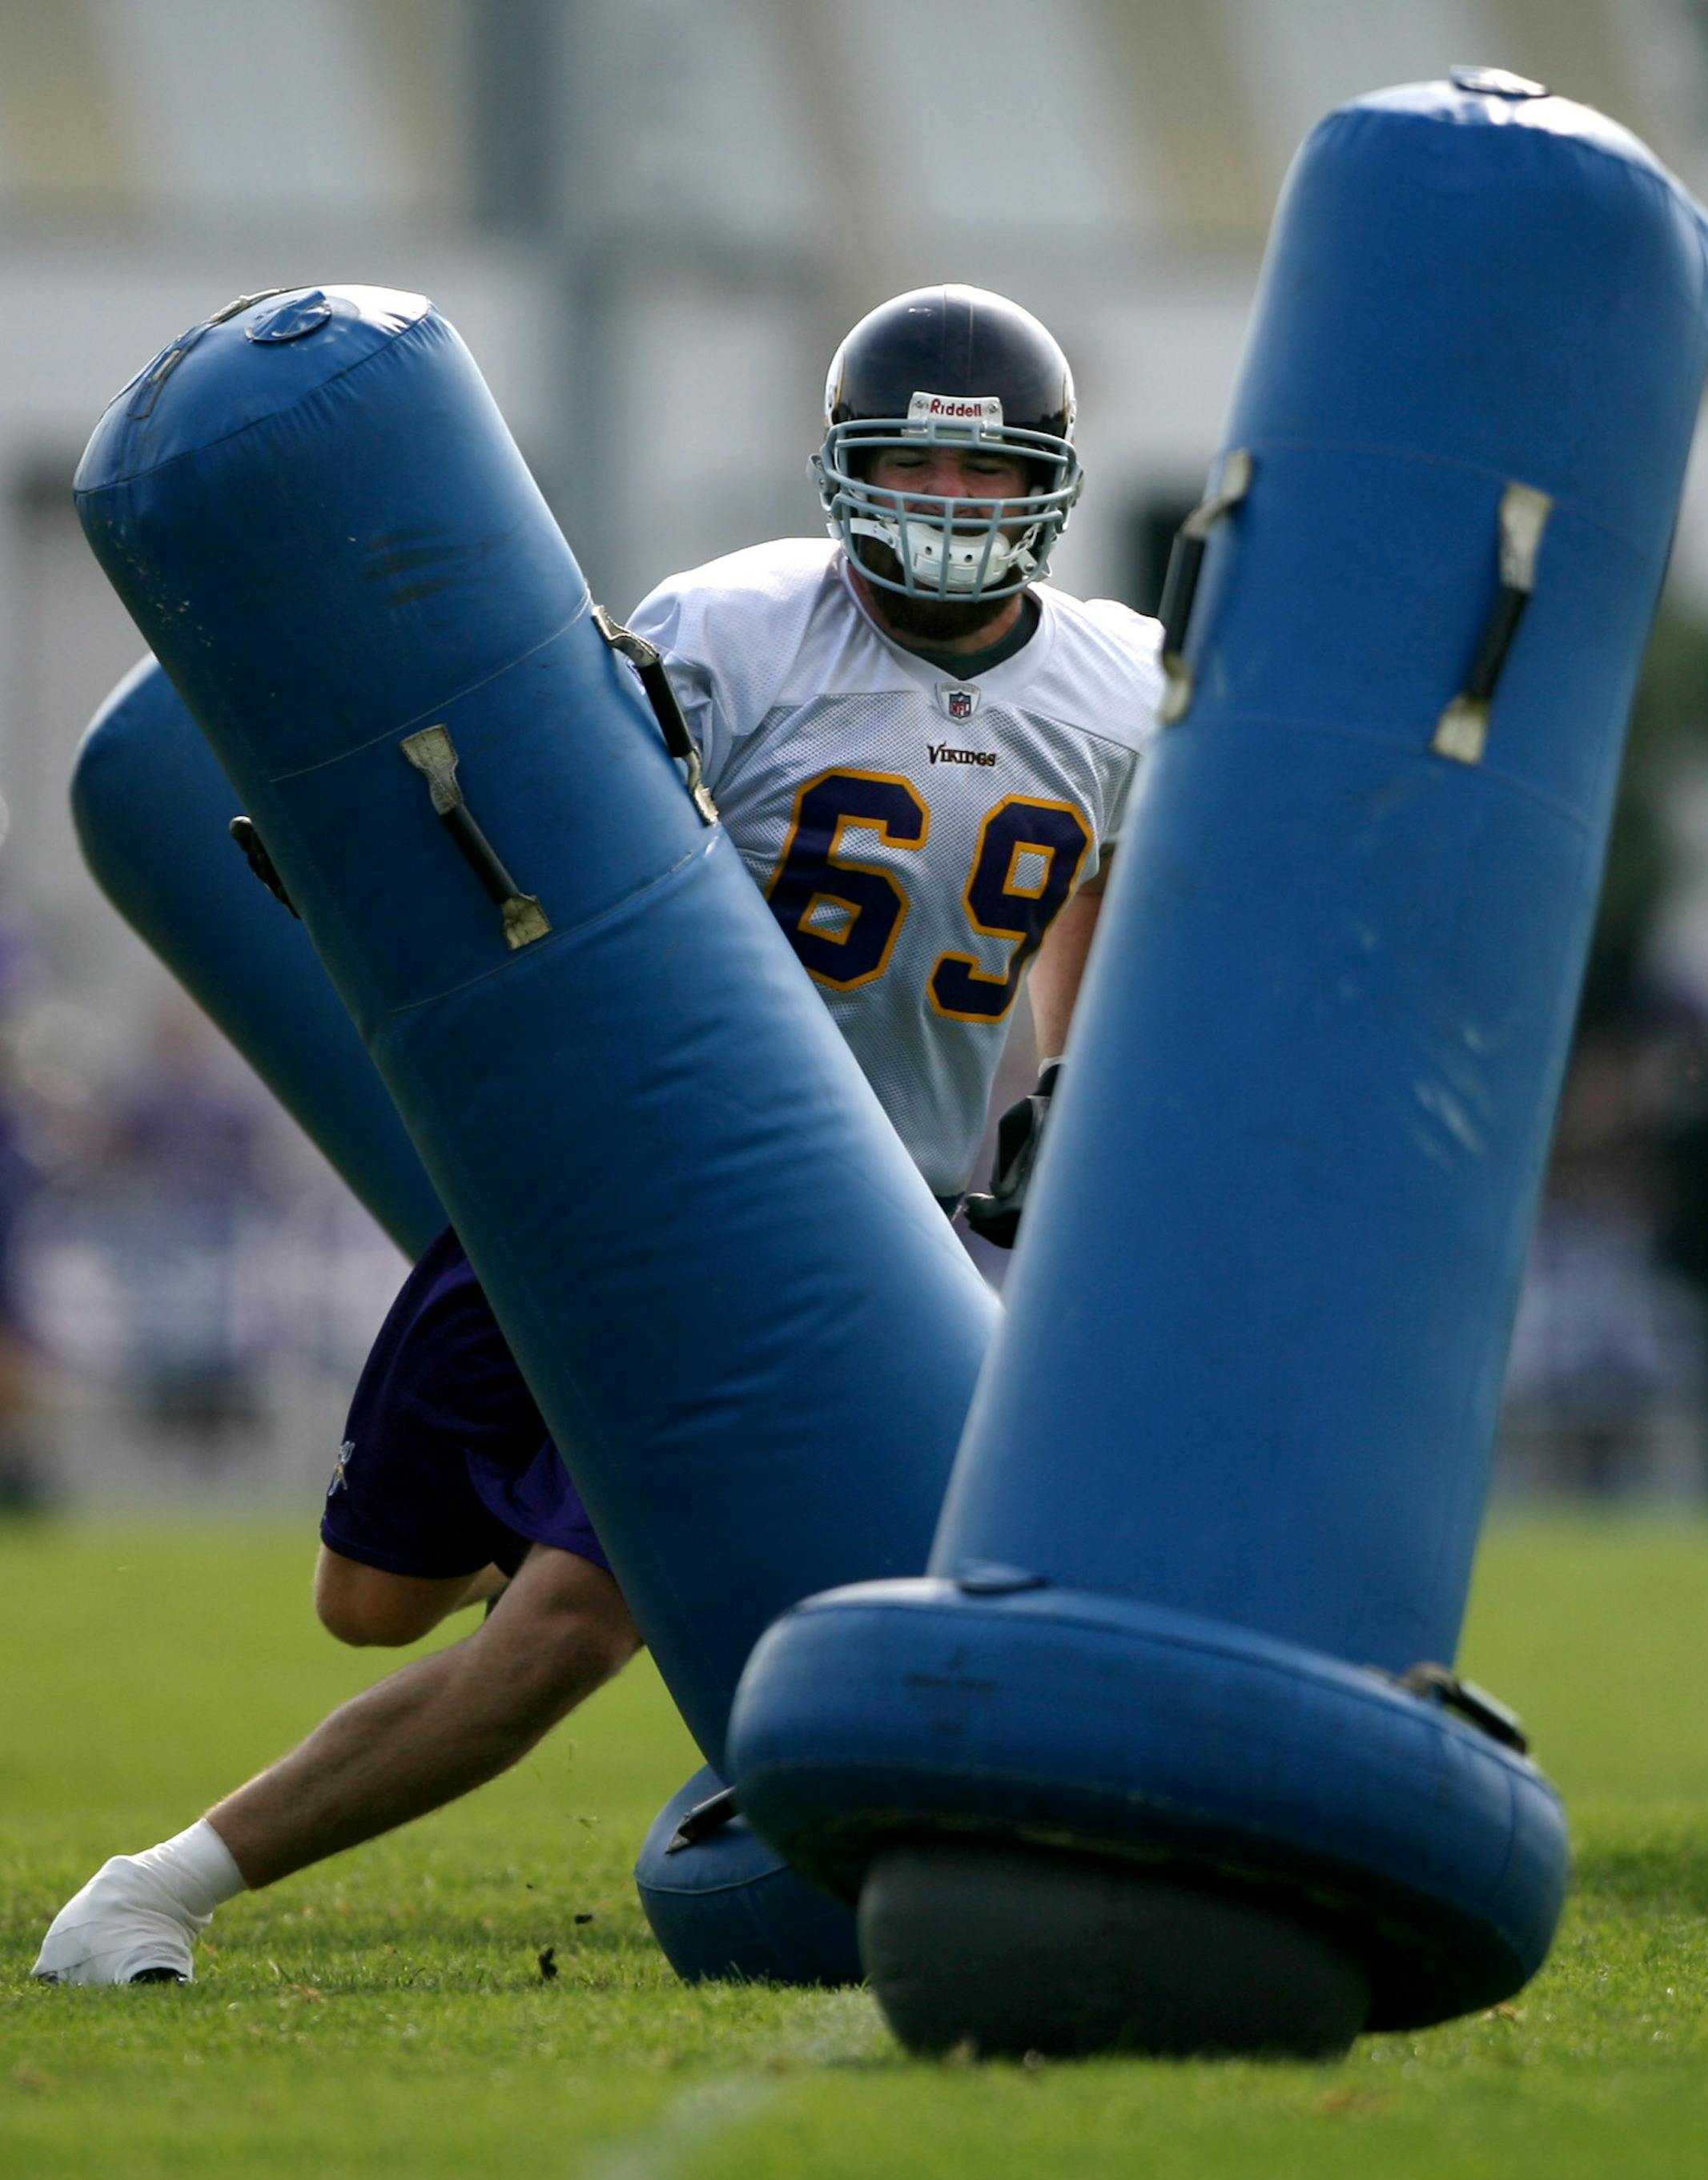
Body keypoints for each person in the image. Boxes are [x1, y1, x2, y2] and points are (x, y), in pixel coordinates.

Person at [34, 284, 1166, 1984]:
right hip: (613, 1160)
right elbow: (539, 848)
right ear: (846, 471)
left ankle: (150, 1892)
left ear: (1047, 492)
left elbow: (1096, 868)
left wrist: (1064, 1076)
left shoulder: (1114, 681)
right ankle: (621, 1500)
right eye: (915, 470)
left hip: (859, 1223)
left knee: (572, 1616)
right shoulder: (736, 628)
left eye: (983, 479)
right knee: (375, 1596)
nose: (949, 509)